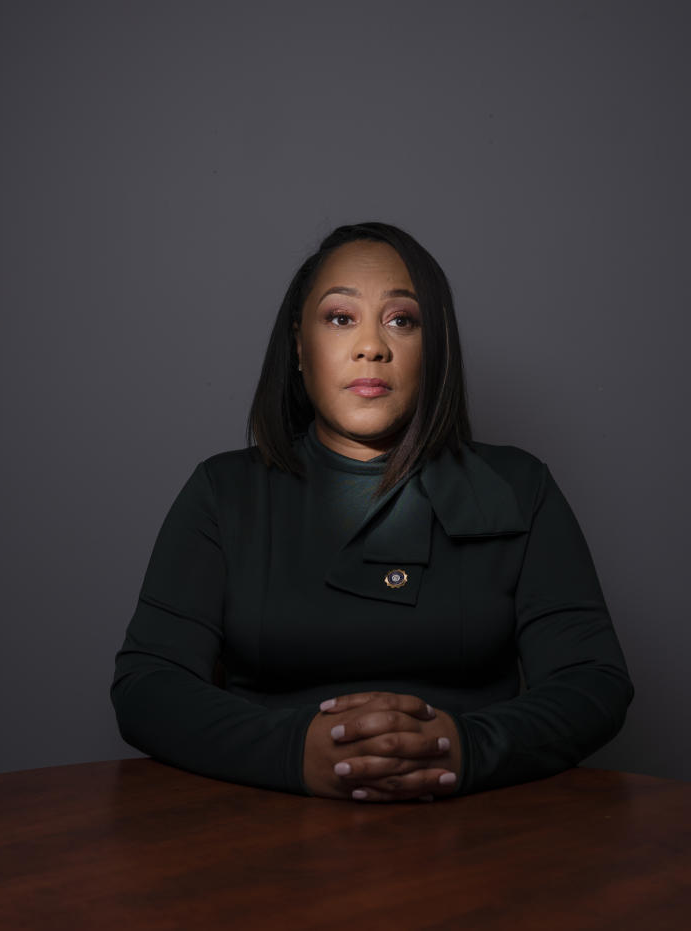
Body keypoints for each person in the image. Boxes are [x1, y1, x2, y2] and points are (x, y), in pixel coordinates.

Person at [111, 222, 633, 802]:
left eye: (401, 320)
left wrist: (465, 747)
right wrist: (293, 752)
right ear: (299, 346)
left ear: (434, 348)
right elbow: (146, 687)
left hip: (478, 827)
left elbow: (594, 683)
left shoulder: (519, 485)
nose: (371, 346)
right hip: (264, 819)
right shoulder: (224, 491)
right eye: (340, 318)